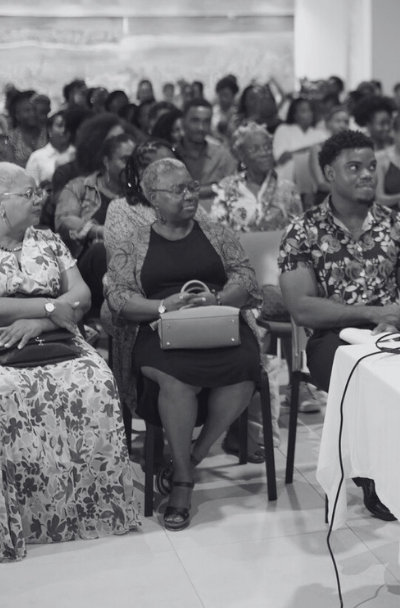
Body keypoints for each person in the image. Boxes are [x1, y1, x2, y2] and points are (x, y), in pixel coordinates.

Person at [0, 164, 140, 561]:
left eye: (38, 192)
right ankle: (14, 515)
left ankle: (84, 507)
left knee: (97, 380)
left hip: (52, 335)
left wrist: (40, 321)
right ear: (0, 204)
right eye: (29, 193)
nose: (40, 199)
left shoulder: (48, 241)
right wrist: (50, 306)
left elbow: (82, 297)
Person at [279, 130, 400, 522]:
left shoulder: (396, 224)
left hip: (392, 330)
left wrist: (398, 320)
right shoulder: (303, 230)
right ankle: (374, 478)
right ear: (330, 174)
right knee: (365, 378)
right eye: (355, 167)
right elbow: (302, 308)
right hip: (332, 338)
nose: (367, 174)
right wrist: (372, 313)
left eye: (371, 166)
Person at [102, 159, 261, 531]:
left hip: (218, 324)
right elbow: (118, 297)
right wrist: (162, 305)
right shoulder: (133, 242)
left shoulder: (217, 233)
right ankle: (183, 484)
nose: (190, 195)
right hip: (160, 330)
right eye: (179, 190)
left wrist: (218, 297)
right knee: (175, 379)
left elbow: (246, 278)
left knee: (244, 369)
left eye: (192, 186)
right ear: (153, 197)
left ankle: (188, 459)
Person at [208, 126, 303, 233]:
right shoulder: (228, 187)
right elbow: (216, 230)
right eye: (255, 149)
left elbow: (298, 231)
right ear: (241, 155)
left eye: (267, 147)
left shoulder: (287, 189)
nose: (264, 153)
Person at [173, 99, 239, 202]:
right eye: (195, 121)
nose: (201, 127)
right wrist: (213, 188)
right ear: (182, 122)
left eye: (206, 122)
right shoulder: (171, 154)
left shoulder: (222, 156)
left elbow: (234, 189)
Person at [273, 97, 329, 191]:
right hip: (286, 181)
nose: (309, 114)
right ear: (295, 115)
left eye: (310, 110)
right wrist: (311, 149)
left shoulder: (320, 134)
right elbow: (281, 159)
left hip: (314, 182)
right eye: (304, 111)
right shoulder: (284, 129)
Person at [26, 108, 86, 186]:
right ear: (50, 130)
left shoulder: (78, 154)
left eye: (67, 126)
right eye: (60, 126)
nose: (64, 130)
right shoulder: (37, 157)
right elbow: (29, 186)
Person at [6, 89, 47, 166]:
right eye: (27, 111)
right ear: (17, 115)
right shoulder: (12, 139)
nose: (32, 114)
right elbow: (10, 165)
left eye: (35, 109)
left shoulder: (48, 133)